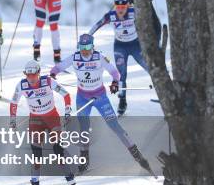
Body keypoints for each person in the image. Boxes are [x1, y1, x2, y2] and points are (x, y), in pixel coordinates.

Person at [50, 34, 154, 175]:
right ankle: (84, 160)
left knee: (114, 126)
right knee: (84, 129)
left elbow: (114, 72)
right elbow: (59, 67)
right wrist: (53, 74)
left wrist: (115, 82)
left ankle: (137, 155)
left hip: (100, 97)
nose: (84, 50)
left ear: (93, 46)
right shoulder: (74, 57)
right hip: (82, 98)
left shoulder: (99, 57)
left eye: (87, 47)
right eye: (82, 47)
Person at [10, 60, 81, 185]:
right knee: (36, 155)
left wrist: (67, 111)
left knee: (58, 151)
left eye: (33, 75)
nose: (31, 78)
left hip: (52, 119)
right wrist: (12, 119)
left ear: (38, 73)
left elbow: (66, 95)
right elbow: (13, 103)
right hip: (35, 121)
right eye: (28, 75)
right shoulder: (21, 85)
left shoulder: (48, 81)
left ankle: (72, 184)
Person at [88, 0, 149, 115]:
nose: (120, 9)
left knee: (149, 68)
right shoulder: (111, 15)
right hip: (120, 47)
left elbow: (149, 21)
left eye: (123, 6)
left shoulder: (134, 12)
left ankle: (165, 93)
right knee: (122, 74)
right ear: (114, 6)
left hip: (136, 45)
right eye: (118, 7)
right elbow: (97, 25)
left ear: (128, 6)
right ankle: (122, 100)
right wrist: (87, 37)